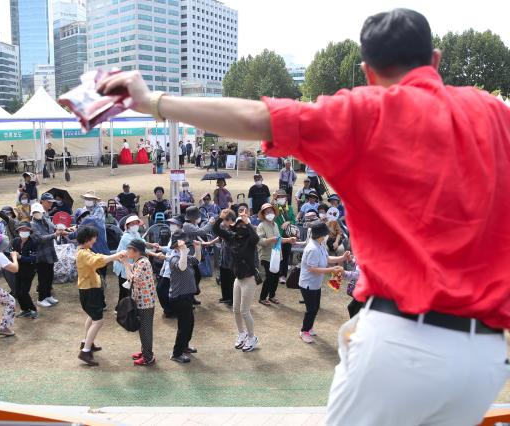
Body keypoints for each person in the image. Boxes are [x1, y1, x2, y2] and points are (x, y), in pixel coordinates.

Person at [96, 9, 510, 421]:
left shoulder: (363, 113)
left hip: (403, 345)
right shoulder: (495, 115)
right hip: (485, 360)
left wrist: (152, 101)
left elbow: (254, 116)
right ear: (435, 60)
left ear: (367, 71)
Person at [76, 226, 125, 366]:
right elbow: (96, 261)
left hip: (89, 288)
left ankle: (86, 343)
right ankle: (85, 352)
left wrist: (114, 257)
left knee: (92, 316)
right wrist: (115, 256)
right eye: (94, 237)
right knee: (98, 321)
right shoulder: (84, 254)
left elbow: (96, 258)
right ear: (87, 239)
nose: (95, 240)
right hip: (90, 290)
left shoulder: (83, 251)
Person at [213, 210, 261, 352]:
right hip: (238, 279)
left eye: (244, 225)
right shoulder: (232, 237)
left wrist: (248, 223)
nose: (241, 227)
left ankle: (252, 337)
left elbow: (256, 238)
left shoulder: (250, 240)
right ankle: (242, 333)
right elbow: (216, 229)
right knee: (235, 309)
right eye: (239, 224)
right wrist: (220, 218)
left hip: (249, 279)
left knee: (244, 311)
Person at [298, 222, 349, 343]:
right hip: (308, 284)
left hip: (316, 283)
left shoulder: (320, 244)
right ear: (320, 235)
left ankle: (309, 328)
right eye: (326, 234)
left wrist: (342, 258)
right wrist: (331, 269)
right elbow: (312, 268)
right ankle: (304, 331)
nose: (327, 235)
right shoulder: (312, 248)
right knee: (311, 309)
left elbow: (327, 258)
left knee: (315, 308)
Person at [113, 215, 162, 310]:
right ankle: (119, 309)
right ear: (127, 226)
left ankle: (125, 308)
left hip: (131, 264)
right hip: (123, 264)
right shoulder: (126, 237)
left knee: (129, 288)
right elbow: (141, 248)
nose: (135, 225)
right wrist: (155, 255)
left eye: (136, 223)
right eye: (132, 224)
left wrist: (151, 244)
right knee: (124, 289)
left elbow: (142, 242)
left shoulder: (135, 234)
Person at [168, 231, 202, 363]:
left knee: (189, 323)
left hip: (186, 297)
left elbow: (197, 260)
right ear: (177, 246)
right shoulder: (174, 258)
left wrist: (198, 247)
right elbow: (182, 267)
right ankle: (176, 353)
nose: (187, 247)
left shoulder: (184, 256)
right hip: (179, 298)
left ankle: (185, 346)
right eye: (184, 244)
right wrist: (183, 251)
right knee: (184, 326)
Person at [122, 239, 157, 366]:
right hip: (143, 301)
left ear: (136, 251)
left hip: (145, 303)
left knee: (145, 330)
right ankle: (145, 352)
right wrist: (125, 263)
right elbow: (135, 270)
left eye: (128, 249)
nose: (127, 252)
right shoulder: (140, 261)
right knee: (142, 329)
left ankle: (148, 357)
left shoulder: (143, 262)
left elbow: (132, 279)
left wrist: (125, 264)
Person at [256, 203, 296, 305]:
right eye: (267, 212)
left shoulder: (275, 225)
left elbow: (279, 239)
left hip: (277, 255)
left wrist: (289, 240)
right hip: (266, 255)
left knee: (275, 276)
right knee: (269, 277)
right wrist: (271, 240)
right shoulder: (261, 226)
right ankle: (262, 297)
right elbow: (260, 241)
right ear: (264, 214)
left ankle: (272, 296)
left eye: (271, 211)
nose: (270, 213)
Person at [30, 202, 62, 308]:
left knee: (50, 275)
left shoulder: (45, 220)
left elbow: (54, 226)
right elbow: (40, 238)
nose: (37, 214)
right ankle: (41, 298)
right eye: (35, 212)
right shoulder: (32, 225)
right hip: (40, 254)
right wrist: (54, 234)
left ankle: (48, 295)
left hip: (50, 252)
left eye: (38, 212)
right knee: (42, 278)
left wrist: (60, 229)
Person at [11, 222, 41, 319]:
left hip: (29, 271)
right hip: (17, 270)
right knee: (16, 291)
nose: (23, 232)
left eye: (26, 230)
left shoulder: (34, 242)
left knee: (24, 292)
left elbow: (34, 258)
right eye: (21, 230)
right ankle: (24, 310)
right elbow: (10, 253)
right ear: (18, 231)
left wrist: (20, 257)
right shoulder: (15, 241)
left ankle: (33, 309)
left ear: (30, 231)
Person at [157, 217, 182, 318]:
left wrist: (165, 257)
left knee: (162, 289)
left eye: (173, 224)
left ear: (179, 225)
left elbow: (176, 255)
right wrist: (159, 247)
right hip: (168, 267)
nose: (171, 226)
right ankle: (169, 309)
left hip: (173, 268)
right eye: (170, 223)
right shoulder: (173, 235)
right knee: (164, 289)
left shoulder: (181, 236)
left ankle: (170, 310)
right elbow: (169, 248)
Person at [273, 189, 296, 284]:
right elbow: (270, 215)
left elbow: (294, 220)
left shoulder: (289, 208)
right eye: (279, 197)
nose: (281, 198)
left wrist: (288, 222)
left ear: (286, 198)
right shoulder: (274, 207)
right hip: (277, 234)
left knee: (286, 255)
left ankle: (283, 275)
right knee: (277, 254)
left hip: (288, 235)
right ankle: (276, 274)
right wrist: (273, 200)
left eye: (283, 197)